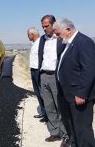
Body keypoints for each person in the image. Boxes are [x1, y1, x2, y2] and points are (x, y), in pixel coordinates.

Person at [53, 18, 95, 147]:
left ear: (68, 30)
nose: (57, 36)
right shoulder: (67, 43)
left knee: (82, 130)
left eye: (58, 33)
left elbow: (90, 69)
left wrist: (82, 93)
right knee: (74, 128)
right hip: (67, 95)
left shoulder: (84, 42)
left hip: (79, 96)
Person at [38, 15, 68, 144]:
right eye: (43, 27)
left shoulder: (61, 39)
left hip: (56, 77)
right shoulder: (42, 40)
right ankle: (54, 133)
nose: (44, 29)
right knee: (49, 106)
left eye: (47, 26)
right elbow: (41, 57)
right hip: (44, 76)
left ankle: (66, 135)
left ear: (53, 24)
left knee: (60, 106)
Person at [27, 27, 47, 122]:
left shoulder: (41, 43)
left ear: (32, 35)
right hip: (33, 71)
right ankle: (43, 113)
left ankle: (47, 115)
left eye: (28, 35)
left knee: (43, 93)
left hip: (38, 71)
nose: (28, 37)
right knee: (38, 93)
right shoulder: (34, 44)